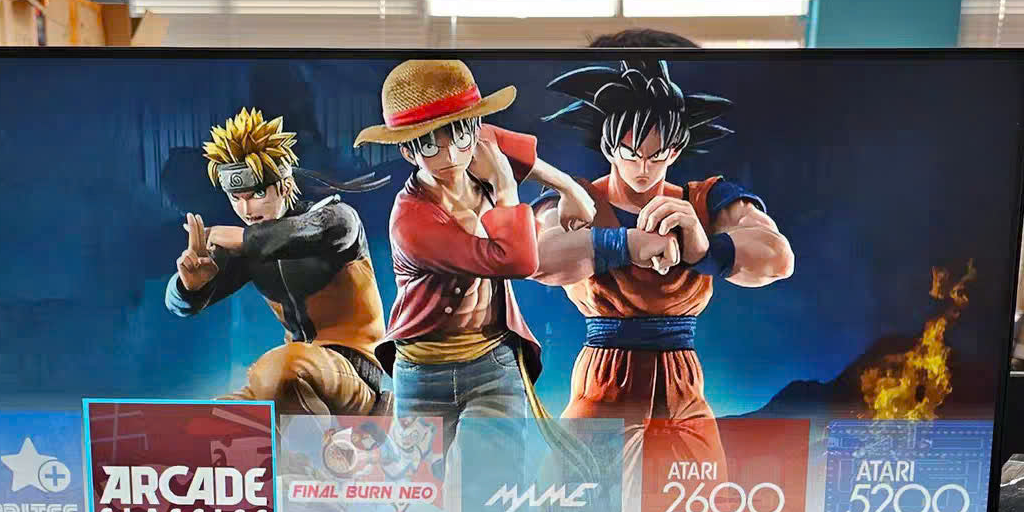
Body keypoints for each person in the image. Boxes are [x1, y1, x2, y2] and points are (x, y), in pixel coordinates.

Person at [354, 58, 658, 456]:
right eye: (429, 143)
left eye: (460, 133)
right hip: (424, 370)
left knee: (495, 483)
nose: (450, 153)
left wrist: (570, 190)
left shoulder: (475, 143)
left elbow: (519, 154)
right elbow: (514, 261)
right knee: (421, 488)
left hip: (492, 360)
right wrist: (503, 187)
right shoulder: (411, 221)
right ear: (408, 151)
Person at [532, 57, 794, 479]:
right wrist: (624, 244)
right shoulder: (577, 198)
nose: (643, 168)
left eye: (656, 155)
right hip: (602, 385)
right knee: (567, 507)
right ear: (608, 147)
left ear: (674, 150)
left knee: (698, 510)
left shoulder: (706, 200)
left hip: (682, 389)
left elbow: (778, 258)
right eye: (631, 153)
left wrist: (705, 249)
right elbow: (537, 258)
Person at [166, 107, 387, 417]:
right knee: (213, 418)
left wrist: (242, 239)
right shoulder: (249, 246)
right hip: (294, 377)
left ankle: (342, 438)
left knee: (281, 368)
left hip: (354, 372)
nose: (247, 209)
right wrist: (189, 287)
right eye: (236, 197)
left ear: (284, 185)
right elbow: (181, 305)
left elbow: (293, 235)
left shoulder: (337, 219)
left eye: (257, 193)